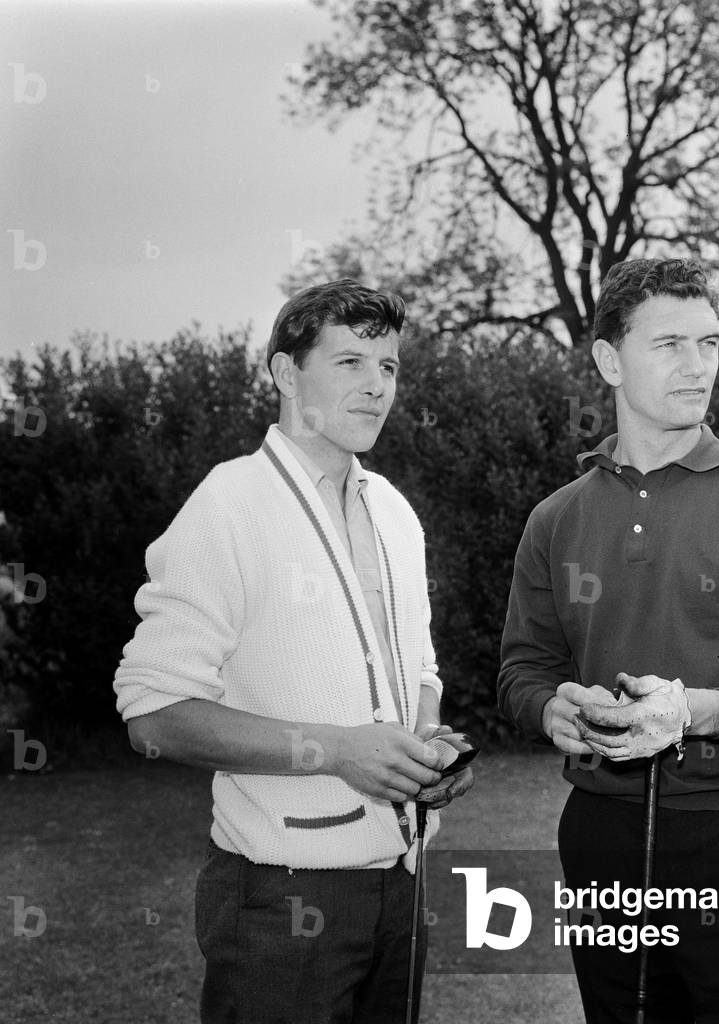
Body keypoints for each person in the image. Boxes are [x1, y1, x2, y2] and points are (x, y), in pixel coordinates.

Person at [497, 257, 719, 1023]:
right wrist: (547, 710)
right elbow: (523, 669)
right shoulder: (555, 517)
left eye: (712, 343)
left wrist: (696, 709)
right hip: (603, 837)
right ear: (607, 360)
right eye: (670, 346)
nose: (699, 368)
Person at [114, 278, 473, 1024]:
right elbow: (152, 713)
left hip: (405, 887)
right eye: (349, 364)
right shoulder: (229, 502)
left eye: (389, 367)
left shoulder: (396, 513)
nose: (377, 387)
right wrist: (339, 751)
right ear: (286, 373)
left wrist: (423, 745)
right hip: (283, 897)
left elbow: (422, 670)